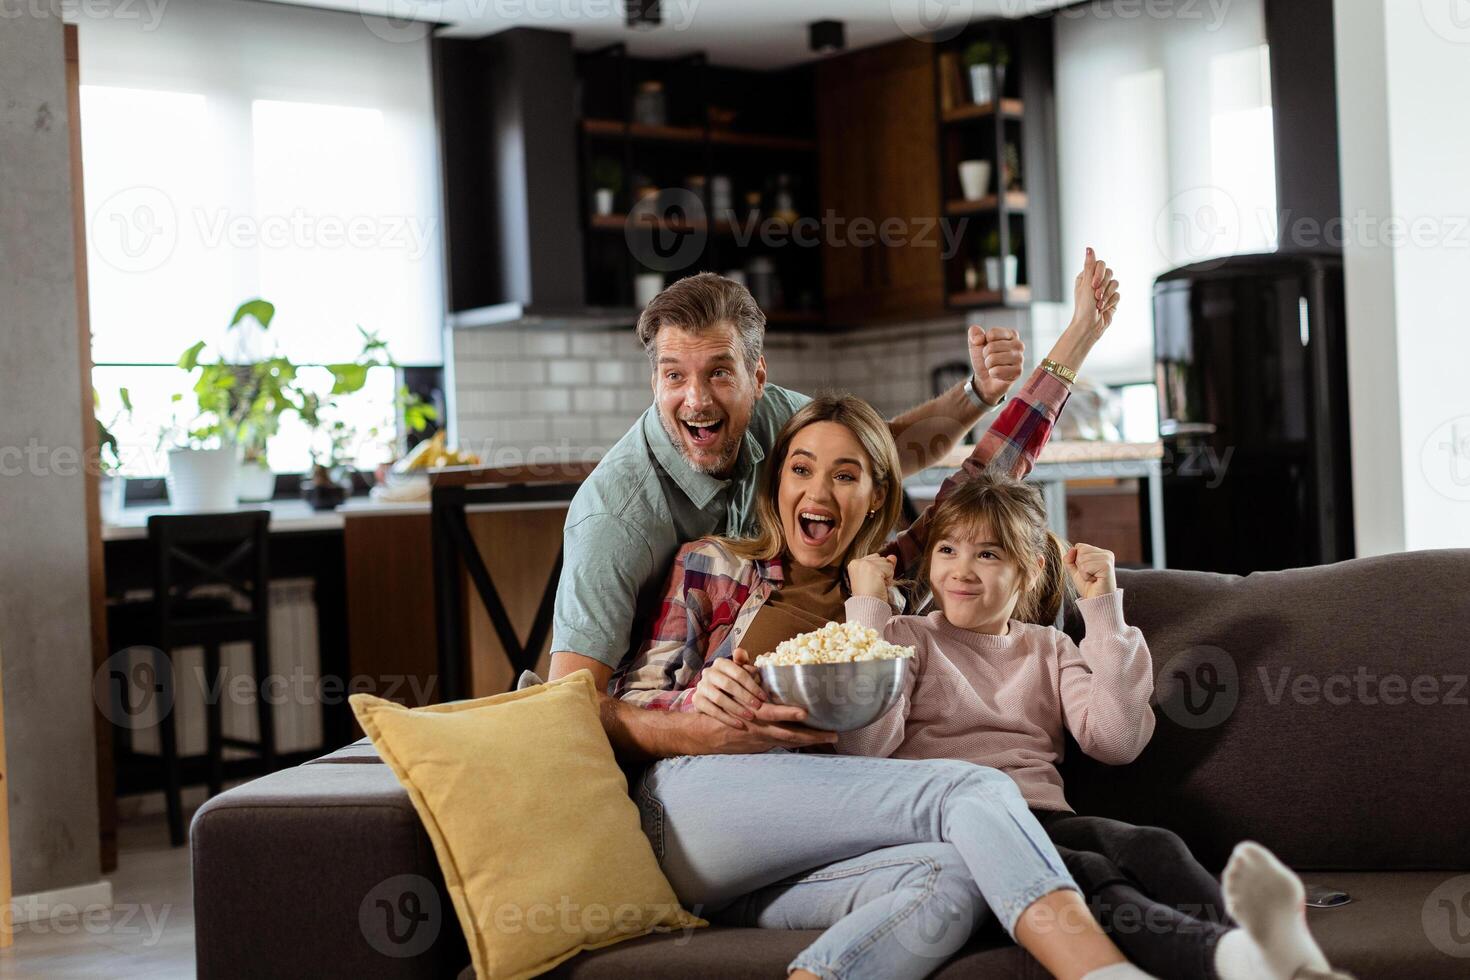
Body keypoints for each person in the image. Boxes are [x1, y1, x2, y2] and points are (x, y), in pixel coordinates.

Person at [606, 255, 1158, 980]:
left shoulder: (898, 581)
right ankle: (1103, 973)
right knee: (973, 788)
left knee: (952, 881)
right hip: (699, 809)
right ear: (778, 487)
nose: (821, 491)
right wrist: (693, 699)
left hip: (814, 845)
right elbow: (628, 705)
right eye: (801, 469)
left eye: (846, 475)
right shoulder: (713, 564)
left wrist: (1080, 335)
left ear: (878, 494)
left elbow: (998, 462)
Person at [824, 474, 1351, 980]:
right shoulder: (902, 637)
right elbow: (865, 746)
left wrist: (1101, 610)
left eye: (987, 553)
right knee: (1095, 878)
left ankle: (1263, 943)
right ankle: (1228, 960)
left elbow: (1116, 742)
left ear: (1028, 569)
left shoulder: (1049, 648)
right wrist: (867, 609)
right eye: (947, 550)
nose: (962, 570)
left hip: (1042, 816)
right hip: (956, 830)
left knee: (1153, 846)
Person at [548, 269, 1026, 756]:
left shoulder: (774, 419)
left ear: (757, 378)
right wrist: (700, 728)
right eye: (675, 375)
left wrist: (979, 394)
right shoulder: (615, 515)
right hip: (680, 735)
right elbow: (570, 704)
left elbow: (883, 452)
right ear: (655, 381)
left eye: (719, 372)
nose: (697, 399)